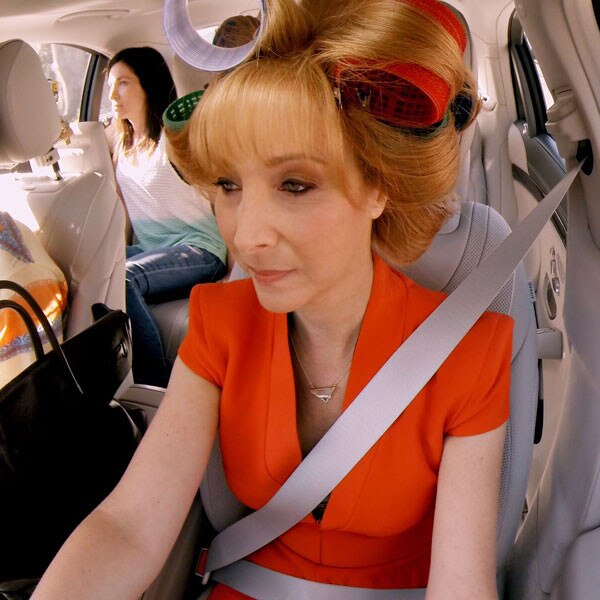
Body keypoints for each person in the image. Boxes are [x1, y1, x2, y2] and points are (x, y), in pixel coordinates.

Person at [32, 0, 512, 598]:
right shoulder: (219, 324)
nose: (247, 235)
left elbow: (462, 585)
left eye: (295, 184)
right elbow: (128, 527)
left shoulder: (468, 353)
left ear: (378, 187)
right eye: (229, 185)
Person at [106, 47, 228, 387]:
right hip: (152, 251)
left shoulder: (174, 139)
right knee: (99, 267)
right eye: (111, 84)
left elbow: (217, 190)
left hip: (199, 249)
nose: (113, 95)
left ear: (149, 85)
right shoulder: (122, 145)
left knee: (124, 278)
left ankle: (154, 384)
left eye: (124, 83)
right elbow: (125, 213)